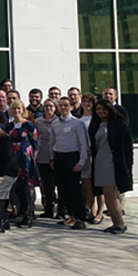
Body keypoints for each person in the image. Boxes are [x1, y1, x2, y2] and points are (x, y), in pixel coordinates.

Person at [91, 100, 133, 234]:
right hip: (99, 162)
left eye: (103, 109)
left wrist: (128, 165)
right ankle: (114, 223)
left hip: (113, 163)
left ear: (109, 109)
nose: (100, 112)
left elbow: (127, 147)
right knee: (105, 194)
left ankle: (120, 224)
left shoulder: (119, 124)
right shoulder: (96, 124)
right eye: (98, 109)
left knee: (111, 194)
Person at [50, 97, 89, 230]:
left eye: (66, 105)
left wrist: (81, 162)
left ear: (71, 107)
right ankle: (71, 215)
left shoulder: (77, 123)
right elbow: (52, 142)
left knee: (75, 190)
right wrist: (52, 159)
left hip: (73, 157)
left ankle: (80, 218)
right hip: (60, 158)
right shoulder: (55, 123)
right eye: (60, 105)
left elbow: (84, 144)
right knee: (64, 189)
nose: (63, 108)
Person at [6, 100, 39, 228]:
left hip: (25, 159)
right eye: (14, 109)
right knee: (17, 187)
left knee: (27, 188)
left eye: (19, 108)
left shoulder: (29, 125)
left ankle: (29, 215)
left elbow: (35, 144)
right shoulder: (9, 126)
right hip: (13, 159)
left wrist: (32, 160)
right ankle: (20, 212)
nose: (17, 111)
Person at [35, 99, 62, 219]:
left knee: (59, 185)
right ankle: (48, 209)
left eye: (51, 106)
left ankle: (61, 210)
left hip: (56, 156)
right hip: (42, 156)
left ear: (55, 108)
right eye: (46, 106)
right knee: (46, 185)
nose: (48, 108)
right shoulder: (37, 121)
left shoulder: (58, 121)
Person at [79, 93, 103, 224]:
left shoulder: (97, 118)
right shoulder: (79, 118)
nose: (87, 104)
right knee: (86, 183)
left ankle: (100, 212)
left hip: (96, 154)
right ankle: (92, 209)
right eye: (84, 101)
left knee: (98, 184)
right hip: (83, 155)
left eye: (90, 102)